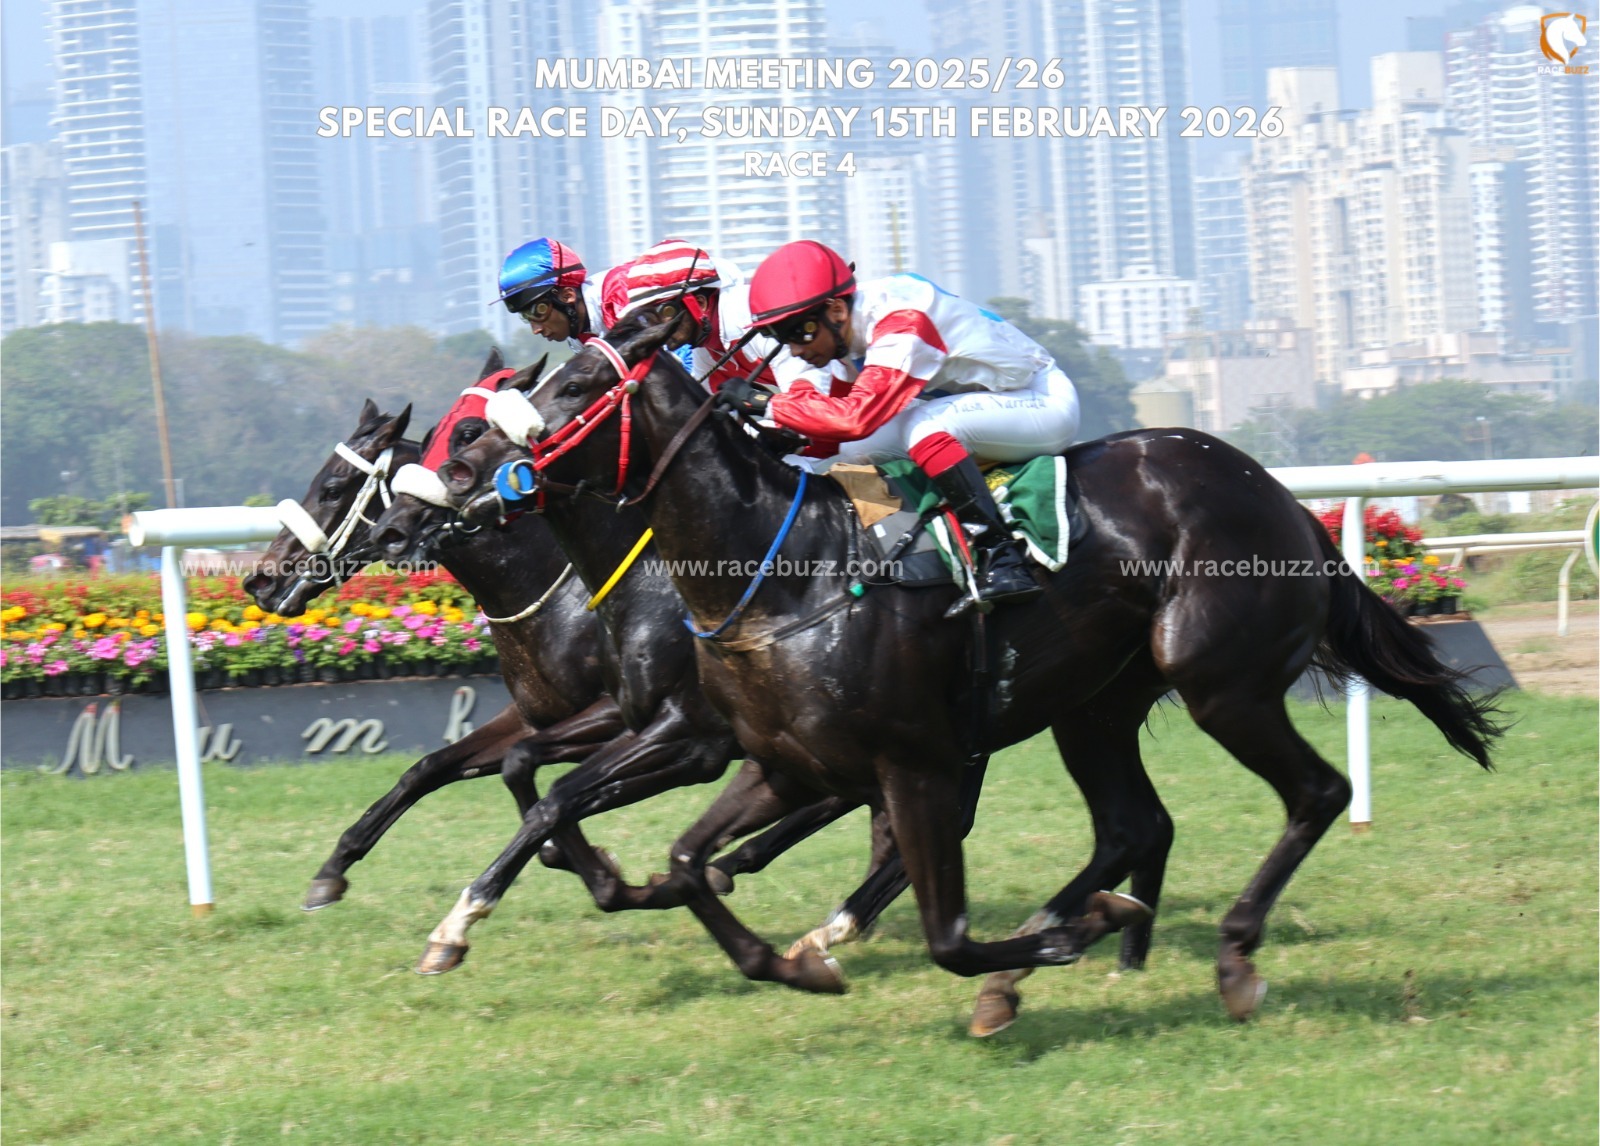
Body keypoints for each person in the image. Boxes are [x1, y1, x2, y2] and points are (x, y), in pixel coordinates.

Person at [724, 240, 1082, 612]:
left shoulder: (902, 321)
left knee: (922, 426)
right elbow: (829, 425)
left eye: (801, 332)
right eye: (782, 338)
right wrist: (781, 437)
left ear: (836, 310)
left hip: (1041, 401)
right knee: (851, 453)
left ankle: (1001, 556)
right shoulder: (844, 334)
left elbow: (856, 418)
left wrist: (767, 403)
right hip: (987, 409)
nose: (795, 350)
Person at [496, 237, 628, 347]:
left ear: (568, 295)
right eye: (525, 317)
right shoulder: (578, 339)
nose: (536, 330)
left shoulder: (620, 291)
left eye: (538, 311)